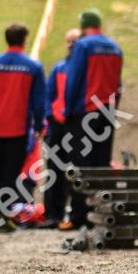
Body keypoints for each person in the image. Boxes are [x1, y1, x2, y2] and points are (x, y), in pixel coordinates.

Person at [59, 9, 123, 229]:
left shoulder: (83, 46)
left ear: (84, 25)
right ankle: (100, 214)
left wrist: (68, 110)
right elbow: (118, 84)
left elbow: (74, 79)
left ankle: (79, 216)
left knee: (81, 164)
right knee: (102, 162)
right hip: (108, 111)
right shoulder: (115, 48)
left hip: (85, 112)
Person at [0, 23, 45, 232]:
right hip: (17, 129)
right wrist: (39, 124)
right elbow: (38, 102)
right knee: (9, 175)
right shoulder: (32, 67)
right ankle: (4, 216)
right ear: (24, 40)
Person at [41, 28, 78, 229]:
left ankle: (70, 213)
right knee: (53, 170)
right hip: (57, 126)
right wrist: (50, 116)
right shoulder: (59, 68)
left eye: (75, 41)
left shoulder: (81, 68)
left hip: (75, 125)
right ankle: (51, 214)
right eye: (69, 41)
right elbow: (49, 95)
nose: (71, 44)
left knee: (73, 170)